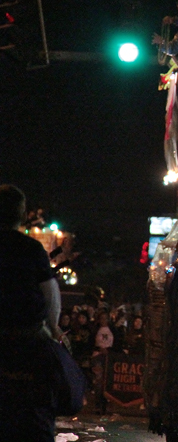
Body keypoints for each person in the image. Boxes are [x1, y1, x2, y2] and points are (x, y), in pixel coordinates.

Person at [0, 184, 65, 441]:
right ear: (22, 213)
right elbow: (51, 298)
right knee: (36, 413)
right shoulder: (32, 249)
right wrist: (55, 328)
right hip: (27, 341)